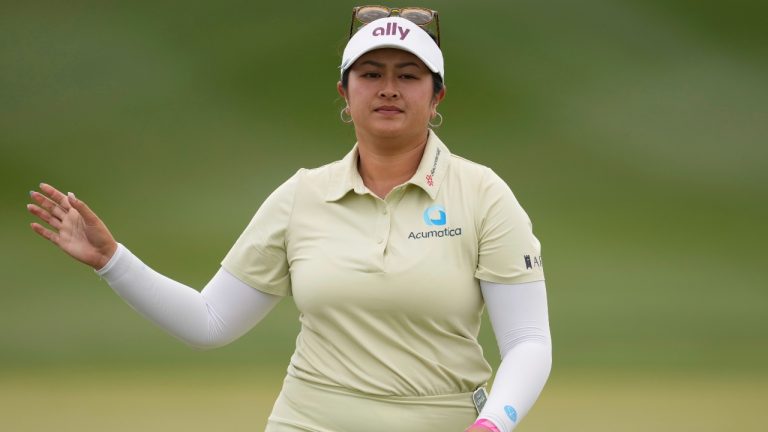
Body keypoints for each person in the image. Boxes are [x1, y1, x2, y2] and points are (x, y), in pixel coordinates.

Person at [26, 6, 551, 432]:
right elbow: (210, 323)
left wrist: (493, 425)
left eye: (408, 75)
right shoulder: (303, 195)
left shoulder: (483, 194)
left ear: (436, 96)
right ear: (345, 93)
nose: (388, 88)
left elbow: (527, 341)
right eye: (370, 74)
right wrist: (111, 260)